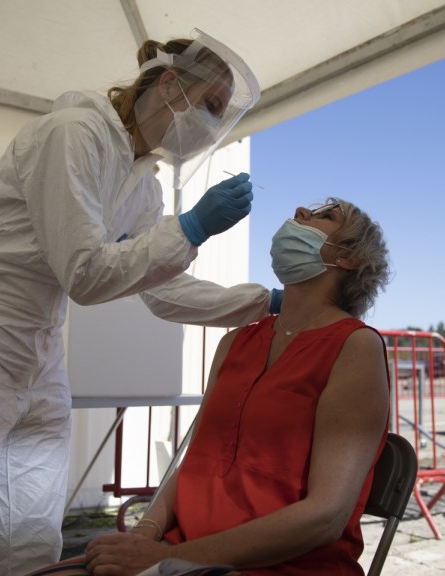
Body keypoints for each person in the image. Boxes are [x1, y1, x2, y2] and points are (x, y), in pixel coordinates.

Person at [0, 29, 280, 576]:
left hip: (38, 352)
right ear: (168, 83)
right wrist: (190, 228)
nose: (211, 125)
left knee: (27, 536)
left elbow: (161, 290)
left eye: (220, 113)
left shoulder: (143, 186)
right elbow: (84, 274)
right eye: (209, 104)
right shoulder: (73, 134)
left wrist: (263, 301)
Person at [28, 197, 392, 576]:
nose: (300, 211)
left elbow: (326, 516)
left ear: (349, 259)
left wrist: (163, 560)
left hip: (281, 566)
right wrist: (144, 534)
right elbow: (194, 465)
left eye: (326, 216)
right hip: (183, 555)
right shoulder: (236, 342)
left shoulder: (355, 347)